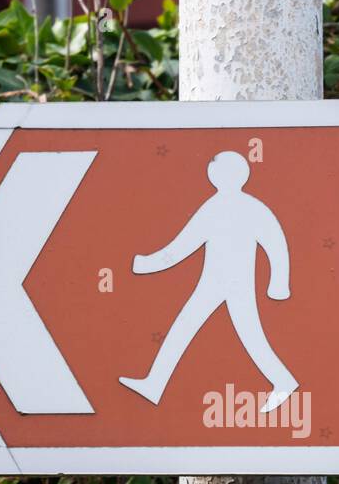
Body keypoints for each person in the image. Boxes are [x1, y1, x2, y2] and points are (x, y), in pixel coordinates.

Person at [119, 151, 298, 413]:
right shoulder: (215, 206)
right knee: (185, 328)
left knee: (250, 336)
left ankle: (283, 380)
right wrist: (147, 264)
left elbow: (275, 243)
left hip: (236, 284)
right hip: (213, 282)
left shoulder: (246, 207)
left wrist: (279, 283)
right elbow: (183, 245)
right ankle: (154, 383)